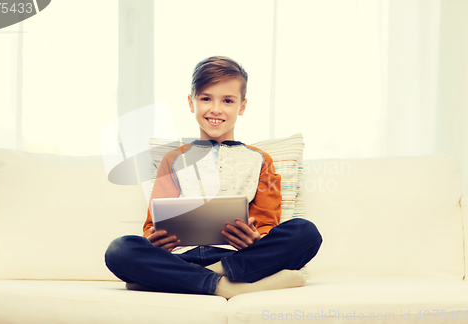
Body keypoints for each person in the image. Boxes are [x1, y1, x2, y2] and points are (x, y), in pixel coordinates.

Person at [105, 56, 322, 299]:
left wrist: (255, 238)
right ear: (191, 102)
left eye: (228, 100)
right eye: (206, 98)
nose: (216, 109)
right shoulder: (173, 159)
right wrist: (155, 240)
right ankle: (226, 286)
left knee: (306, 232)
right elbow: (151, 225)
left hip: (237, 257)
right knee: (119, 250)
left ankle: (186, 279)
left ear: (242, 106)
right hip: (180, 256)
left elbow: (266, 225)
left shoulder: (261, 160)